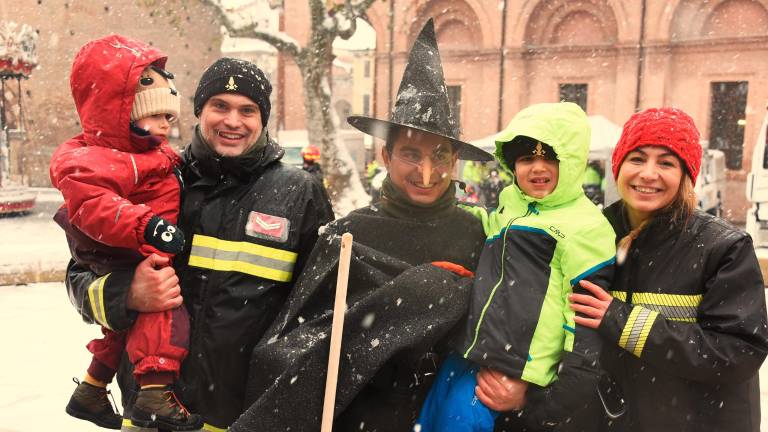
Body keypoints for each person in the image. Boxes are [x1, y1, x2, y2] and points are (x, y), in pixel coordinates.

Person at [228, 19, 494, 432]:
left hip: (446, 414)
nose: (426, 172)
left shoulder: (478, 235)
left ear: (454, 161)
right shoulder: (348, 235)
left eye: (440, 156)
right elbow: (291, 345)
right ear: (385, 157)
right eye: (410, 153)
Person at [64, 56, 335, 430]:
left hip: (246, 417)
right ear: (198, 110)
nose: (232, 121)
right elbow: (81, 271)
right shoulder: (153, 178)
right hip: (149, 414)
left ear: (263, 119)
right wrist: (125, 294)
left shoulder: (298, 194)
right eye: (219, 106)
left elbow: (322, 305)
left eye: (248, 110)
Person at [418, 102, 617, 432]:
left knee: (459, 422)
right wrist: (449, 214)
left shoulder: (587, 227)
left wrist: (547, 401)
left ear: (570, 161)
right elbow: (489, 225)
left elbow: (584, 327)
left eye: (549, 156)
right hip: (470, 351)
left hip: (510, 370)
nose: (537, 168)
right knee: (428, 419)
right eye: (526, 158)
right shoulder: (513, 202)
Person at [569, 107, 768, 431]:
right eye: (637, 159)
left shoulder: (724, 248)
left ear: (686, 175)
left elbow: (738, 352)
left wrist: (622, 320)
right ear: (618, 167)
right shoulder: (594, 235)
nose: (648, 174)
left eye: (666, 162)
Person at [50, 35, 201, 431]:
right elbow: (93, 207)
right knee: (164, 311)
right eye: (156, 118)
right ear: (123, 115)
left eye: (170, 119)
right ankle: (154, 392)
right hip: (134, 247)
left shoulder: (154, 155)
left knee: (122, 325)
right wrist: (146, 225)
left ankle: (92, 388)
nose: (166, 127)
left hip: (140, 243)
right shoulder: (100, 160)